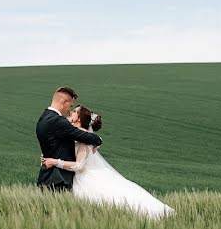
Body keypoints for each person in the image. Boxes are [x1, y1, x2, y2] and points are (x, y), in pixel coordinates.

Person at [41, 106, 175, 219]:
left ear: (80, 118)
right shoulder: (76, 134)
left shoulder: (83, 137)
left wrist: (55, 161)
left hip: (86, 177)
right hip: (81, 176)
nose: (71, 112)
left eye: (75, 111)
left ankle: (154, 213)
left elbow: (79, 165)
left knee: (112, 200)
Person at [35, 86, 102, 192]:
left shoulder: (43, 118)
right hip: (58, 180)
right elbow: (82, 136)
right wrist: (98, 139)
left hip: (46, 177)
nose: (69, 110)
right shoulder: (58, 121)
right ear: (63, 101)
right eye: (70, 106)